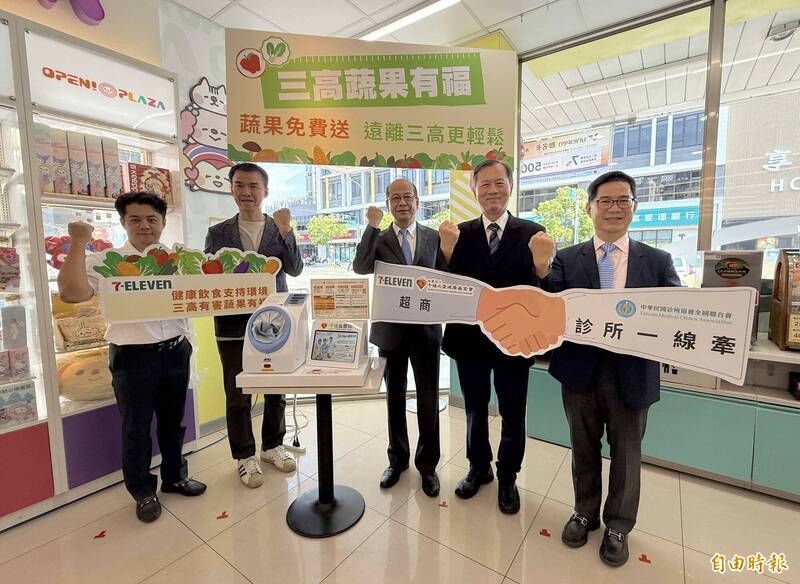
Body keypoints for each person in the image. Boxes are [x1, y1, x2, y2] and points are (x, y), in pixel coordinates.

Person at [531, 170, 681, 567]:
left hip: (633, 374)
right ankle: (584, 512)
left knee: (627, 454)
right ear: (590, 208)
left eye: (622, 200)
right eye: (605, 201)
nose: (614, 208)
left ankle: (618, 525)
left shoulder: (658, 261)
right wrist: (542, 269)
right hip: (579, 371)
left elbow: (677, 314)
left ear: (634, 206)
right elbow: (550, 308)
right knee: (583, 448)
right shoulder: (567, 258)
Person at [57, 192, 206, 523]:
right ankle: (142, 491)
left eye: (152, 219)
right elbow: (71, 292)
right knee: (136, 428)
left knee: (173, 422)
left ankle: (175, 477)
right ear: (123, 223)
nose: (144, 226)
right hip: (132, 357)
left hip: (176, 349)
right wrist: (78, 243)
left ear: (163, 223)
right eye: (135, 219)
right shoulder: (106, 261)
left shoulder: (180, 260)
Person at [438, 160, 547, 514]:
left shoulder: (533, 233)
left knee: (513, 411)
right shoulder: (459, 233)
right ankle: (478, 467)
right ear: (474, 190)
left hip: (515, 340)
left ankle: (508, 476)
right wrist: (446, 251)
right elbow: (442, 286)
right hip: (470, 340)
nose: (492, 190)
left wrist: (542, 267)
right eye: (484, 184)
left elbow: (544, 292)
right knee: (474, 409)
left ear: (510, 187)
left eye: (499, 183)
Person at [205, 162, 304, 488]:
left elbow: (295, 268)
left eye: (253, 186)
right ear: (232, 189)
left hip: (276, 323)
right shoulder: (218, 233)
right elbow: (209, 277)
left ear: (265, 191)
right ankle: (244, 456)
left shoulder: (278, 227)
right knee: (237, 394)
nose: (246, 192)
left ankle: (272, 446)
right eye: (239, 185)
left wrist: (287, 232)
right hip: (232, 326)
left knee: (276, 390)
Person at [353, 178, 447, 497]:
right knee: (394, 397)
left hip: (426, 332)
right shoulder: (379, 238)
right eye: (396, 198)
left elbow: (445, 276)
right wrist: (370, 226)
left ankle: (428, 466)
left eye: (408, 197)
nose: (402, 203)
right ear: (388, 204)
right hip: (390, 333)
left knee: (428, 399)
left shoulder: (434, 237)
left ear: (418, 201)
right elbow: (360, 266)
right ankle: (397, 461)